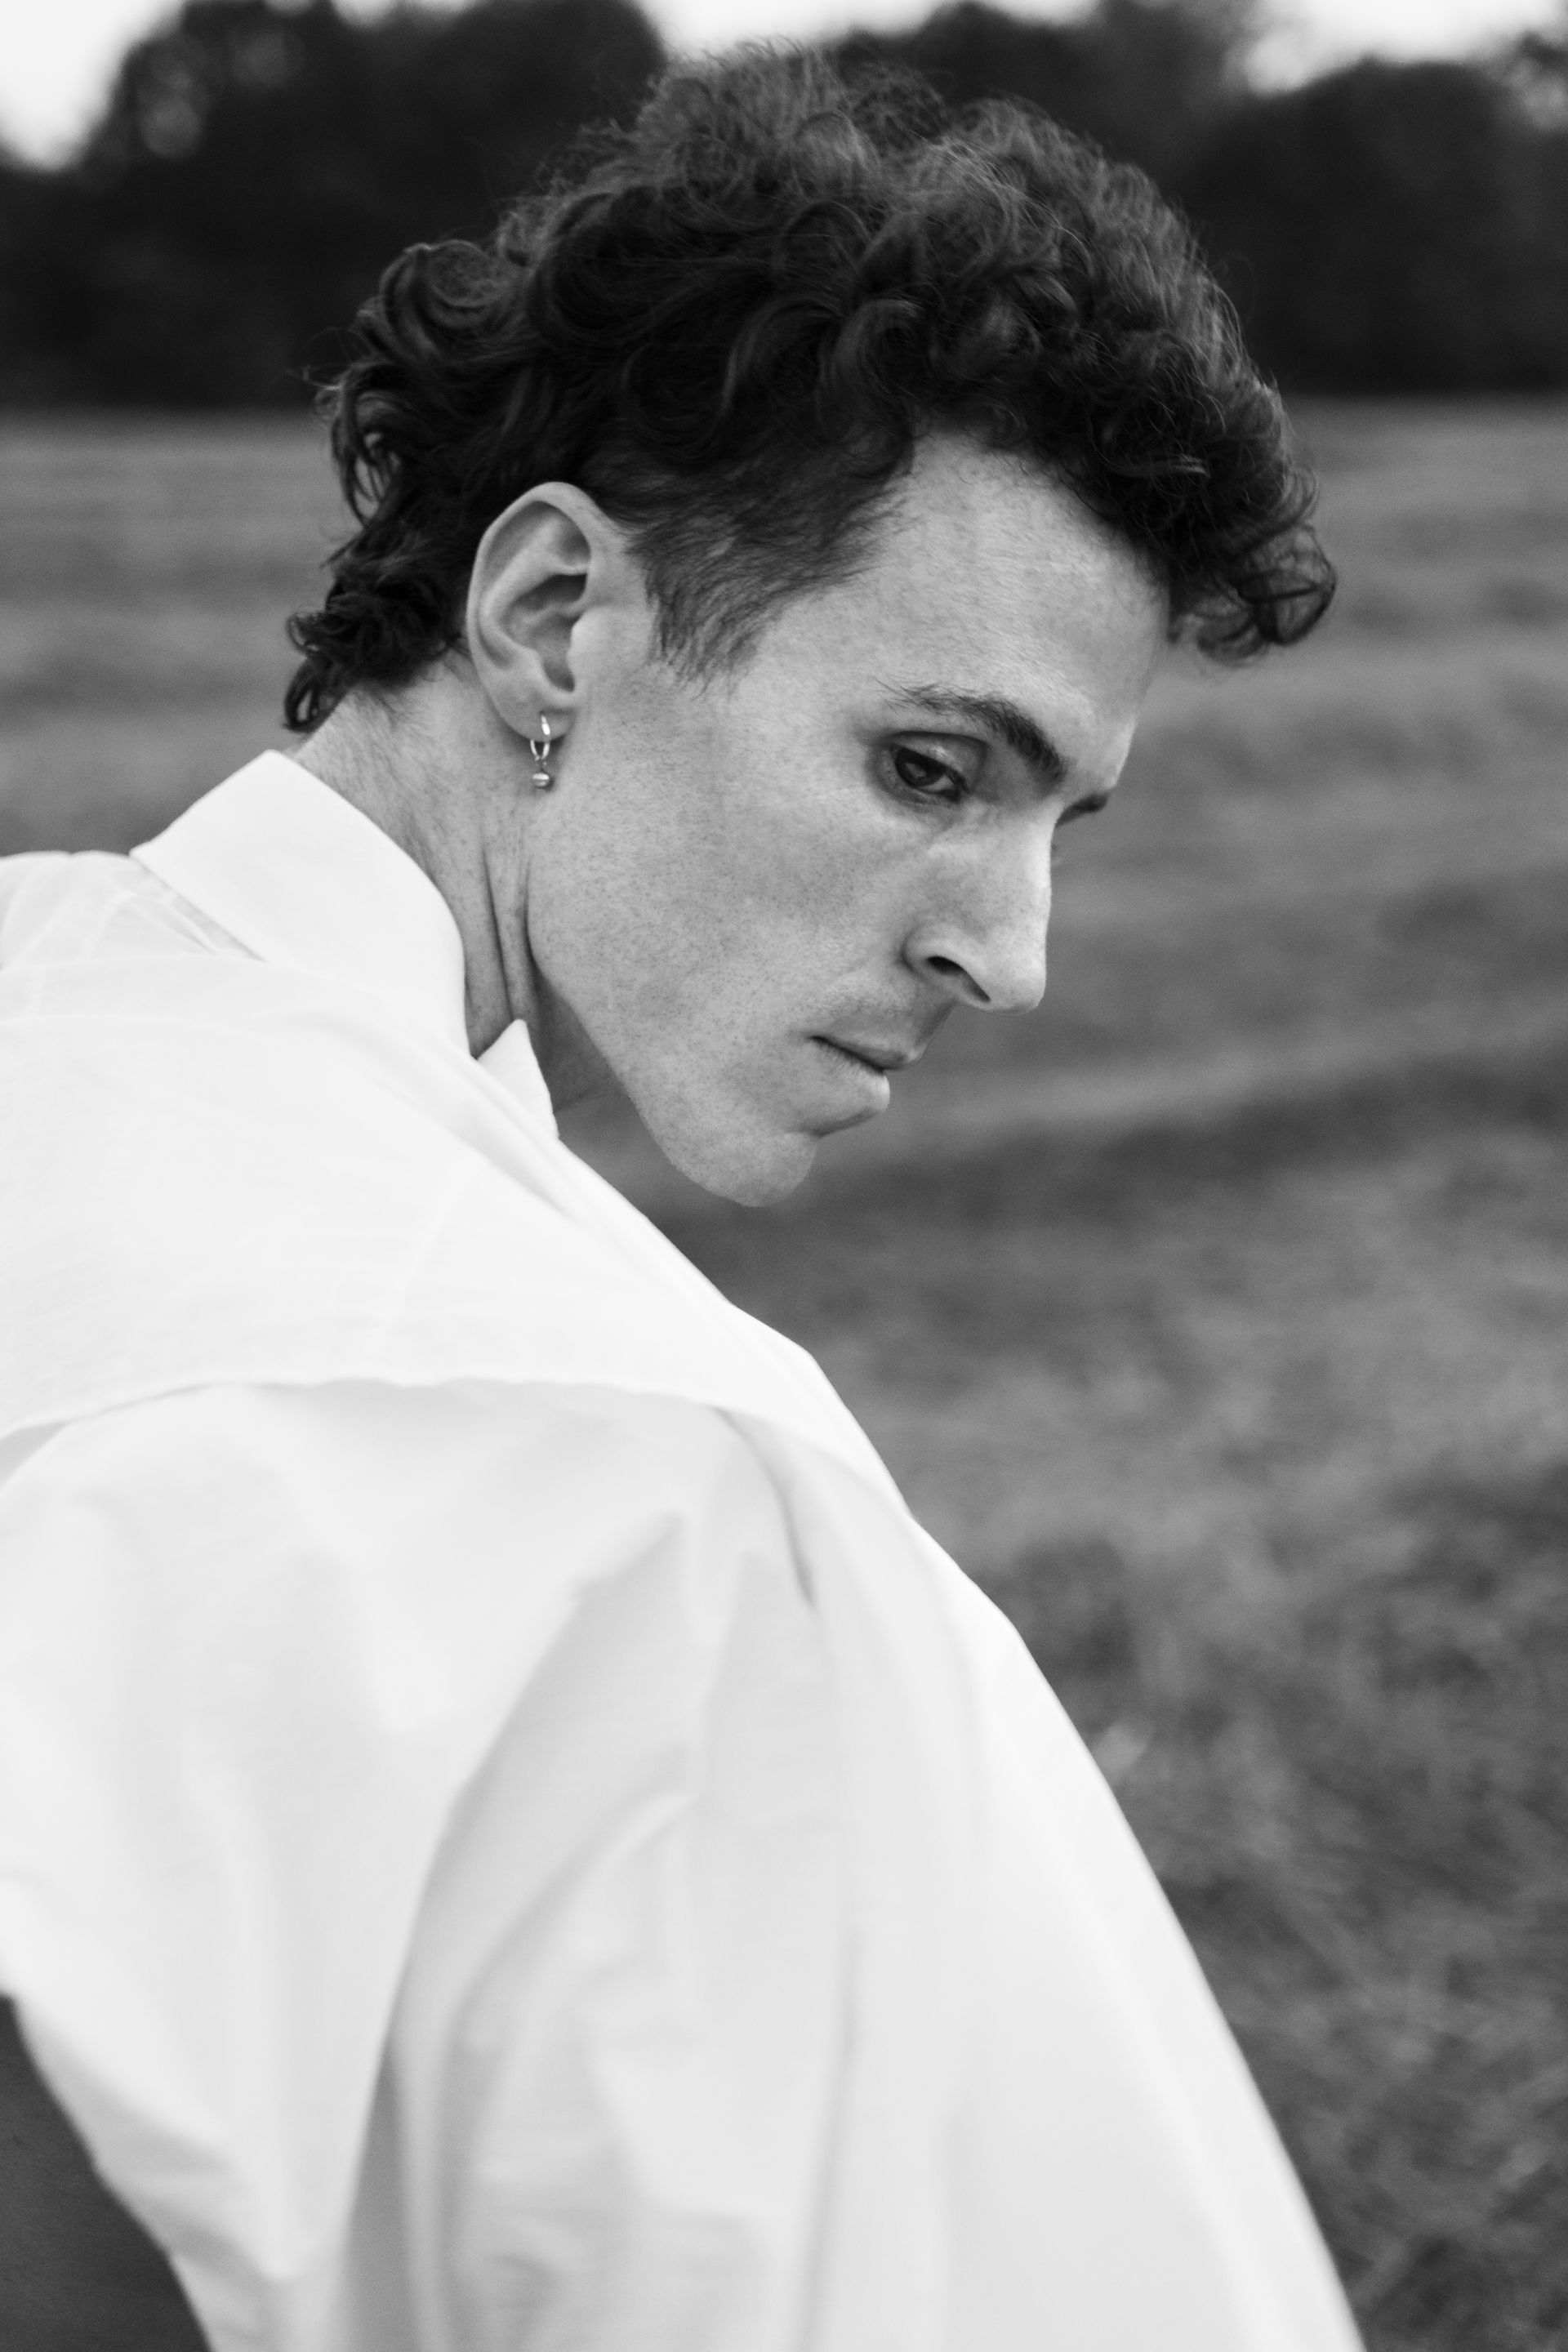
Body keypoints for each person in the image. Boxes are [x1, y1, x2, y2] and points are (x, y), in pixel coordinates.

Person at [0, 46, 1354, 2352]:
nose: (1013, 954)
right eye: (930, 766)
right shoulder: (626, 1484)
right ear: (554, 615)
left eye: (1058, 823)